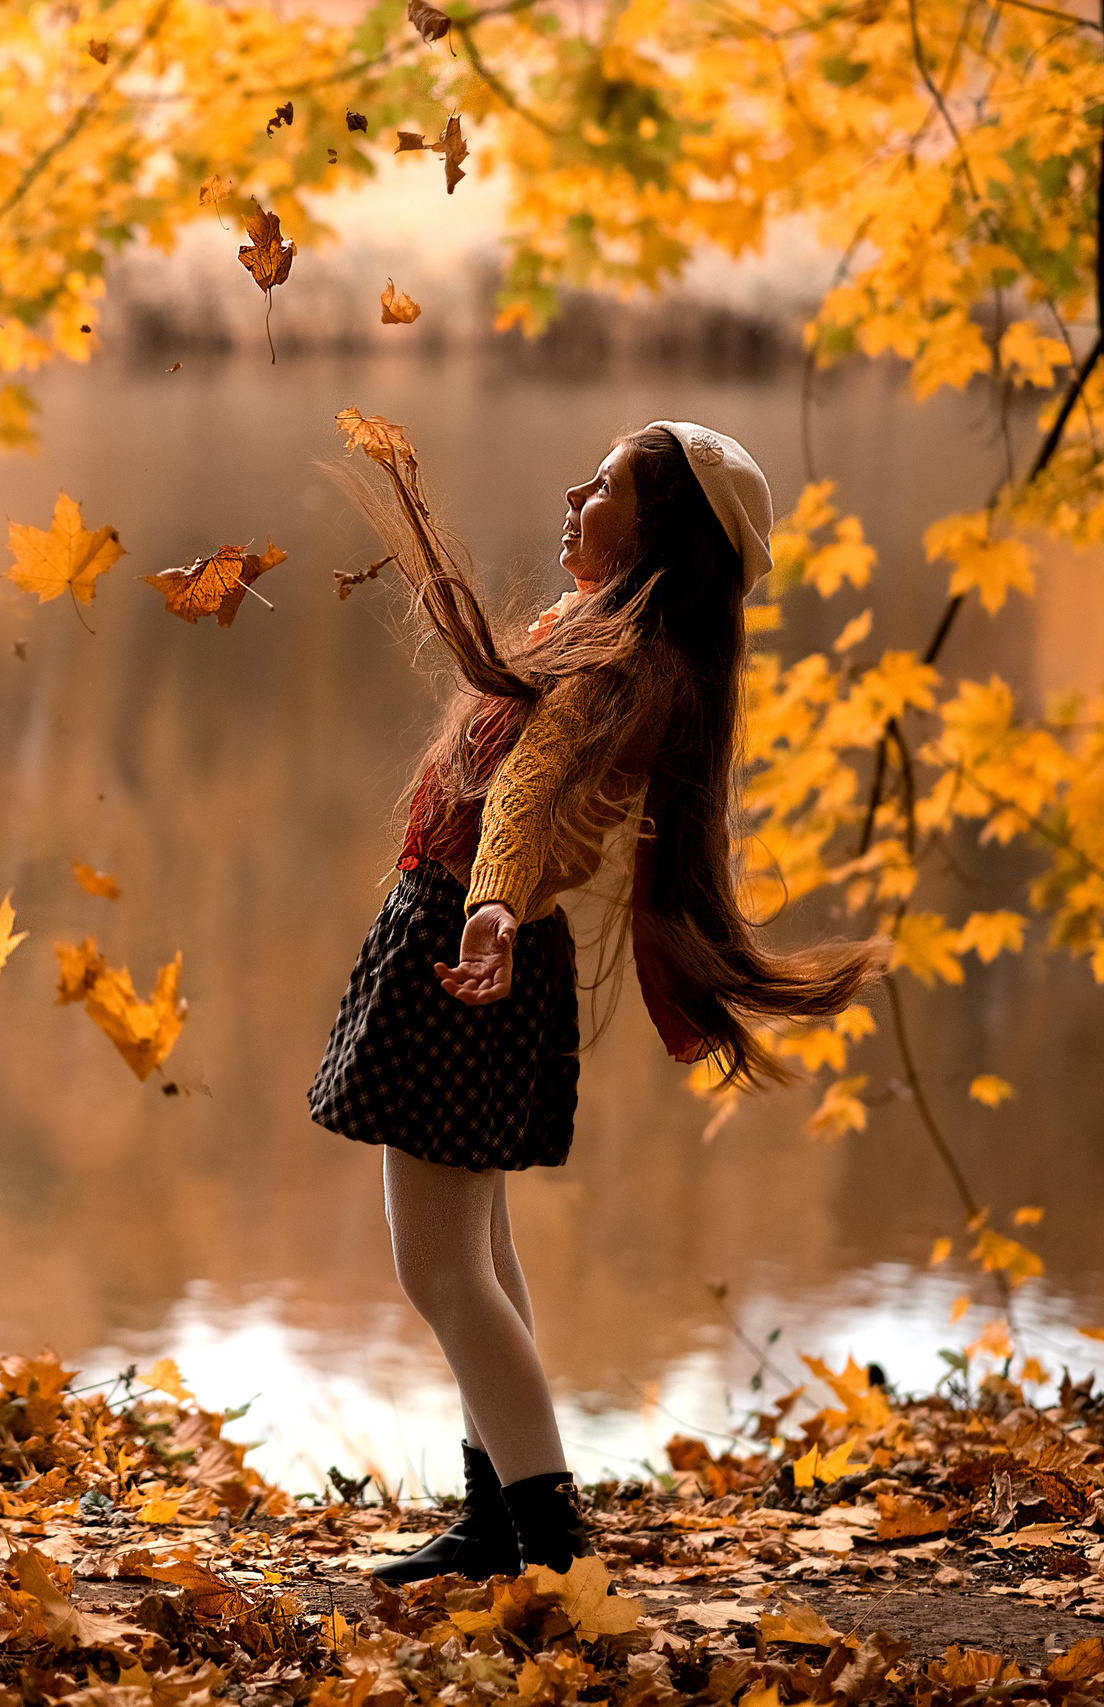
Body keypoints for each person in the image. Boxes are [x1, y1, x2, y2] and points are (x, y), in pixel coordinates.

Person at [309, 421, 888, 1580]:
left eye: (608, 484)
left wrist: (484, 909)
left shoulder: (613, 666)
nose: (575, 492)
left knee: (440, 1271)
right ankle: (495, 1524)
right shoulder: (607, 641)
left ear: (660, 529)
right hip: (489, 946)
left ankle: (551, 1539)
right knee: (480, 1252)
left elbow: (523, 791)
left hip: (468, 947)